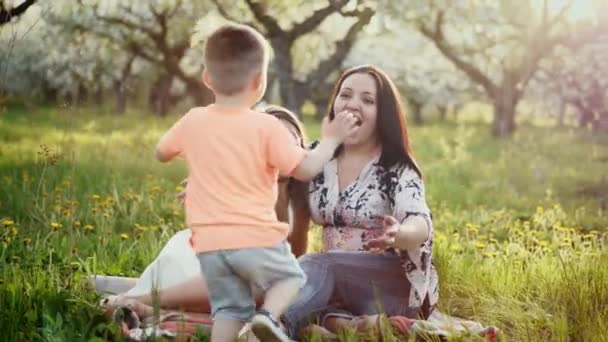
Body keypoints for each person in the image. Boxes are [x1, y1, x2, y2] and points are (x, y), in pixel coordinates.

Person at [154, 23, 358, 342]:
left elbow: (161, 152)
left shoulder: (193, 120)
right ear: (261, 82)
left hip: (212, 247)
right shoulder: (265, 127)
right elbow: (305, 168)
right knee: (292, 278)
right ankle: (267, 320)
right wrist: (331, 141)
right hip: (253, 241)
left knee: (228, 312)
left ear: (207, 78)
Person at [282, 64, 439, 338]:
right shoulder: (319, 157)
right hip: (337, 283)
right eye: (345, 95)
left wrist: (399, 233)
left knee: (318, 265)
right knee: (305, 277)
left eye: (367, 100)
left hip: (390, 280)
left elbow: (420, 222)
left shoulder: (396, 168)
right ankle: (346, 325)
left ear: (383, 115)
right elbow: (269, 177)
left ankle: (275, 326)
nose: (352, 104)